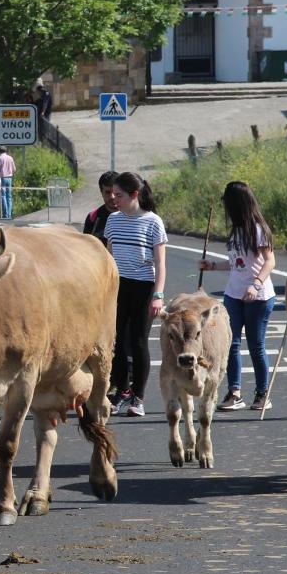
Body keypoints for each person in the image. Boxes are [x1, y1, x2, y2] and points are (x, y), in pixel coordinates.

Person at [200, 181, 277, 412]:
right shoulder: (236, 231)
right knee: (231, 344)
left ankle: (263, 393)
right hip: (233, 294)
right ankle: (235, 393)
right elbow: (238, 263)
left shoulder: (258, 229)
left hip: (259, 296)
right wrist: (212, 266)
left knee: (255, 344)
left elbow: (270, 261)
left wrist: (256, 284)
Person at [103, 172, 167, 418]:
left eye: (119, 195)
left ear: (134, 195)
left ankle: (138, 397)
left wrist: (158, 295)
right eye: (111, 194)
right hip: (117, 286)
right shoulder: (113, 220)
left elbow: (160, 263)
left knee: (138, 342)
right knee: (115, 341)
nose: (113, 199)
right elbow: (108, 257)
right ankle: (122, 391)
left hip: (144, 286)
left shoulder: (153, 222)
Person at [82, 170, 119, 241]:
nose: (112, 196)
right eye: (107, 192)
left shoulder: (132, 216)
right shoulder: (92, 217)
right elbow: (85, 247)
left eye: (115, 192)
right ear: (101, 192)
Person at [0, 146, 16, 219]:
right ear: (6, 151)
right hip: (9, 178)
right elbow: (14, 169)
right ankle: (9, 215)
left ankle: (5, 215)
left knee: (3, 196)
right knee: (9, 196)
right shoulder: (10, 158)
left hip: (2, 178)